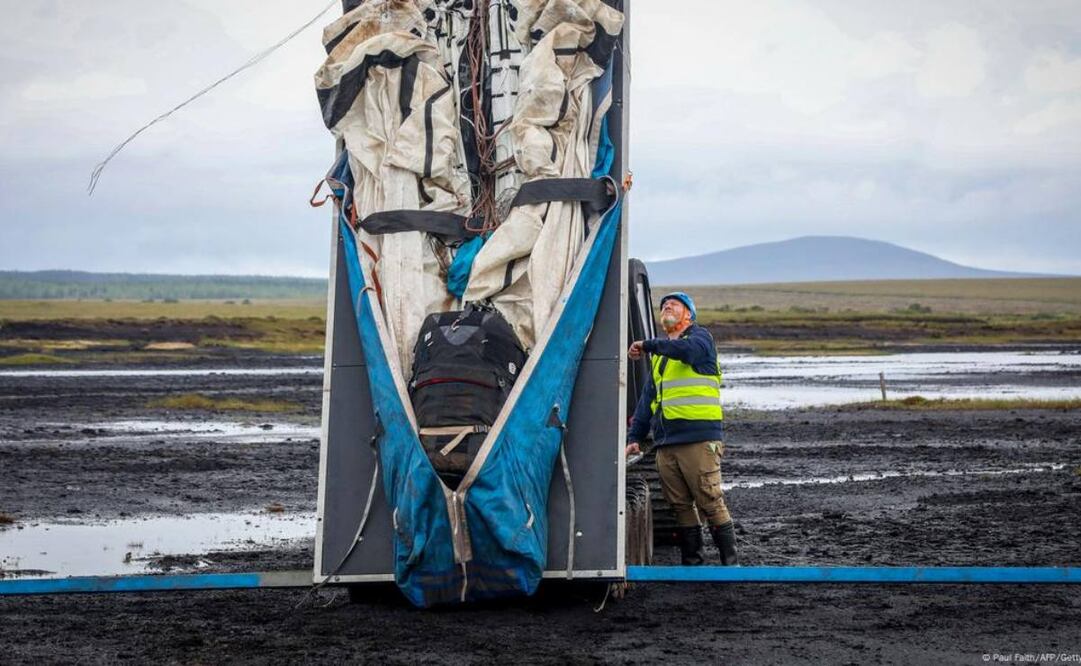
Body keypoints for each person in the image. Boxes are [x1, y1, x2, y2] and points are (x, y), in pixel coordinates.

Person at [626, 292, 738, 566]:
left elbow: (686, 351)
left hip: (699, 439)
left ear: (689, 315)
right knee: (679, 504)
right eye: (664, 305)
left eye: (674, 304)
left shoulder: (700, 339)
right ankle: (693, 562)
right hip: (667, 443)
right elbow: (648, 399)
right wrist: (635, 437)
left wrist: (648, 345)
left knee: (709, 499)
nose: (667, 307)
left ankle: (731, 563)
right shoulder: (660, 357)